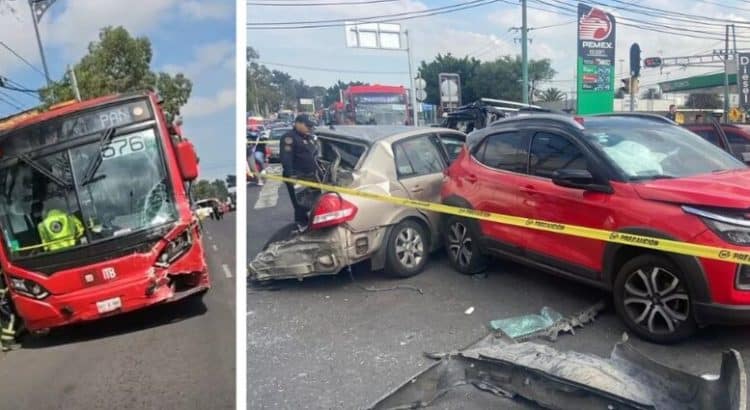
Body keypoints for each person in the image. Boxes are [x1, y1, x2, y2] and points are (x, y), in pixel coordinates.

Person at [280, 114, 319, 230]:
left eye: (311, 126)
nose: (309, 128)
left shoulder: (307, 137)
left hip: (311, 176)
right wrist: (291, 176)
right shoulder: (289, 138)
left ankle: (312, 225)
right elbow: (286, 158)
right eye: (307, 126)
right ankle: (301, 227)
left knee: (313, 203)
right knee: (301, 205)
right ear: (298, 123)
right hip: (298, 176)